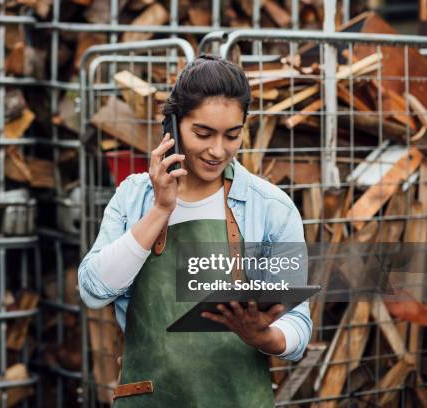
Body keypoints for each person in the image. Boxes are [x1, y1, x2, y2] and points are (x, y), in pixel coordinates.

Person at [78, 55, 312, 407]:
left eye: (232, 135)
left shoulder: (271, 208)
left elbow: (299, 325)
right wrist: (160, 209)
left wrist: (264, 337)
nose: (218, 151)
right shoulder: (134, 197)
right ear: (172, 126)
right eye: (203, 133)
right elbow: (94, 291)